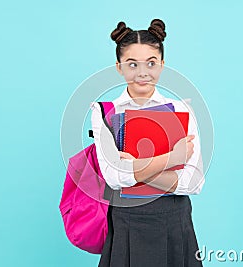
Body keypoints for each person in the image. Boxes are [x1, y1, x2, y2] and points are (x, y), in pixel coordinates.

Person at [90, 19, 205, 267]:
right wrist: (172, 159)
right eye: (132, 64)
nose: (142, 72)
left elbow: (192, 183)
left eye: (151, 63)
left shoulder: (181, 110)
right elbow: (114, 177)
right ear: (119, 67)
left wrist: (136, 167)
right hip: (126, 226)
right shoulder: (104, 112)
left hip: (175, 225)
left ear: (162, 65)